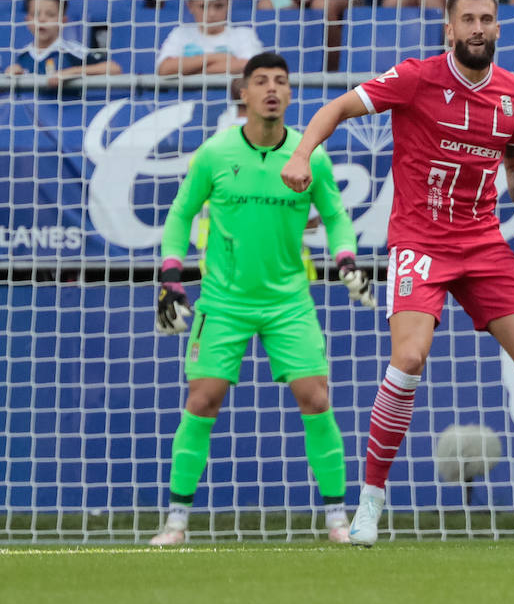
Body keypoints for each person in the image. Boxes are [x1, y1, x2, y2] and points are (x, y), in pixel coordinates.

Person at [280, 0, 514, 548]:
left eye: (488, 19)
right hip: (420, 241)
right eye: (467, 20)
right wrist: (302, 153)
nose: (478, 28)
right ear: (448, 29)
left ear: (499, 29)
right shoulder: (416, 78)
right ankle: (370, 502)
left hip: (482, 243)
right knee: (408, 357)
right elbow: (337, 107)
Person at [149, 51, 374, 546]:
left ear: (290, 94)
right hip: (223, 302)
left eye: (280, 81)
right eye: (261, 81)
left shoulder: (310, 154)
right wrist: (170, 275)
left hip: (289, 301)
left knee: (316, 398)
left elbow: (336, 217)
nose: (272, 89)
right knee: (202, 400)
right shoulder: (215, 153)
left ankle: (338, 520)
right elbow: (180, 215)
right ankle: (176, 524)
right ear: (243, 93)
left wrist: (346, 259)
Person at [5, 0, 121, 88]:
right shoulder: (22, 56)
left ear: (63, 21)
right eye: (35, 14)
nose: (42, 20)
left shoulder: (72, 50)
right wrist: (9, 76)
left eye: (50, 15)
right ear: (27, 20)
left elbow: (114, 68)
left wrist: (73, 72)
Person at [158, 0, 263, 76]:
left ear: (228, 4)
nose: (211, 13)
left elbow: (249, 66)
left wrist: (189, 70)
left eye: (218, 6)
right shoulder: (180, 34)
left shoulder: (244, 35)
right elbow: (164, 69)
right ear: (190, 6)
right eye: (203, 6)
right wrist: (216, 57)